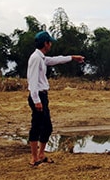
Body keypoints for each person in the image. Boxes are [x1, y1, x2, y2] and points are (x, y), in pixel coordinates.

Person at [27, 31, 85, 167]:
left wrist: (72, 57)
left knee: (46, 126)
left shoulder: (41, 58)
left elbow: (55, 60)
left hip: (42, 96)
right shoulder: (36, 58)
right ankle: (34, 158)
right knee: (37, 126)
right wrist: (36, 100)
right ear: (45, 43)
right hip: (38, 96)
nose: (51, 45)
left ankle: (41, 155)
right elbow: (33, 81)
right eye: (50, 42)